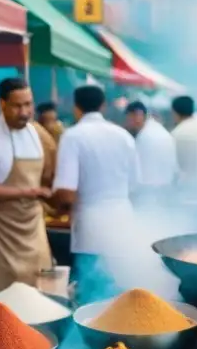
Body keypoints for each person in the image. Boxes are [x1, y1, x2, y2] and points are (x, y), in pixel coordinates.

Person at [53, 86, 140, 301]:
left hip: (91, 229)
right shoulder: (124, 136)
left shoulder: (73, 136)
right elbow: (135, 184)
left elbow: (66, 192)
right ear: (103, 106)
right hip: (122, 223)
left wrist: (50, 202)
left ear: (76, 108)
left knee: (90, 299)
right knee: (118, 295)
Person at [0, 78, 52, 294]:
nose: (24, 112)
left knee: (43, 301)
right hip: (2, 239)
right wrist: (29, 192)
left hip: (35, 232)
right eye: (17, 106)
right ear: (2, 104)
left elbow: (51, 166)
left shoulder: (36, 133)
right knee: (2, 308)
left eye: (28, 104)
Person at [125, 100, 177, 189]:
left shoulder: (145, 136)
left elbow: (138, 171)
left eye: (128, 118)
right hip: (167, 186)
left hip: (150, 190)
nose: (127, 122)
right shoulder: (158, 130)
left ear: (137, 115)